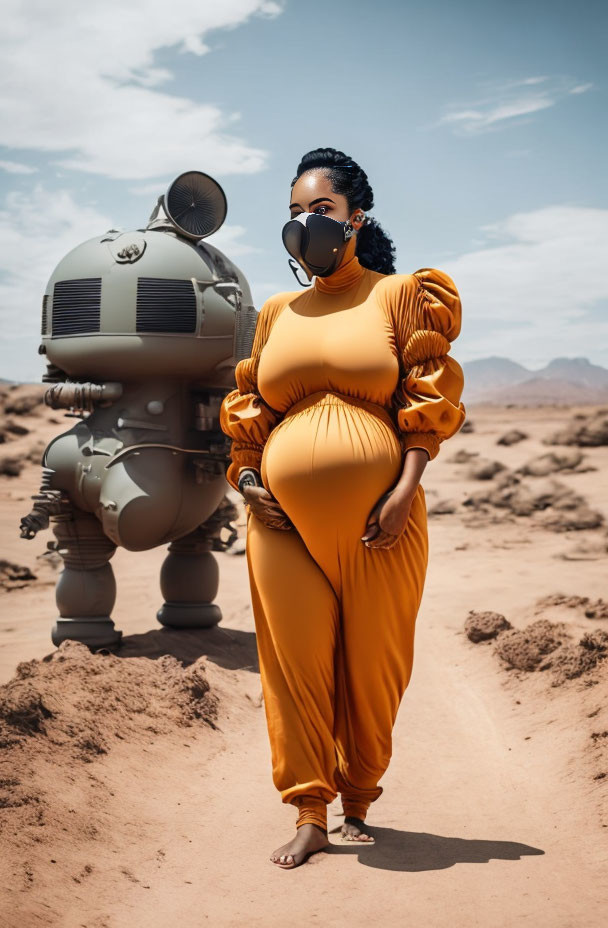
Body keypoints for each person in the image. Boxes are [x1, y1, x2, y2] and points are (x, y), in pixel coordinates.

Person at [219, 147, 466, 870]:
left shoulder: (399, 296)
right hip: (279, 525)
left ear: (356, 218)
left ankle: (358, 799)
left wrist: (401, 492)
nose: (305, 225)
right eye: (295, 214)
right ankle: (309, 811)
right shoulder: (275, 313)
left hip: (379, 523)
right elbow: (250, 415)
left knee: (373, 667)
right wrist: (247, 483)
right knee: (293, 665)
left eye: (320, 211)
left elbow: (428, 398)